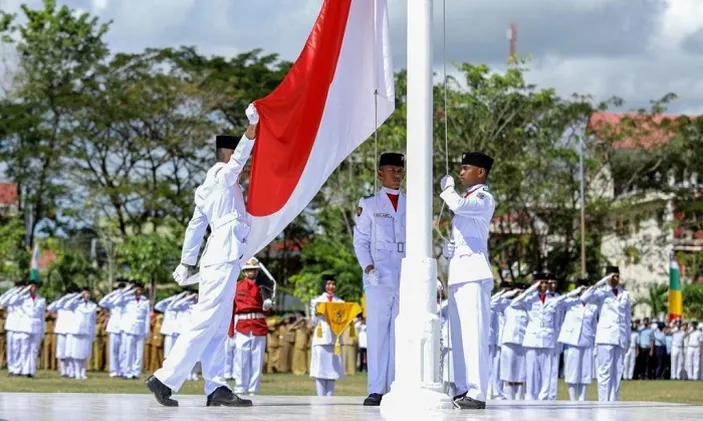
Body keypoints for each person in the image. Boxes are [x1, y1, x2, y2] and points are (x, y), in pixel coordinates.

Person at [145, 104, 259, 408]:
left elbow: (195, 228)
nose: (244, 167)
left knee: (219, 323)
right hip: (223, 254)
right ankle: (164, 378)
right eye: (237, 157)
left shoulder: (206, 188)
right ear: (226, 155)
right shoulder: (222, 174)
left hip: (222, 255)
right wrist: (252, 130)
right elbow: (238, 160)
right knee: (206, 318)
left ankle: (216, 385)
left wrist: (186, 261)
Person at [439, 151, 496, 409]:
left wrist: (447, 188)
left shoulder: (483, 198)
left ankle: (478, 392)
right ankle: (463, 388)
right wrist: (452, 248)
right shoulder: (466, 198)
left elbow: (459, 207)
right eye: (460, 169)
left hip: (474, 274)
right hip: (459, 273)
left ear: (480, 172)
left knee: (474, 335)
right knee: (459, 336)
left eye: (465, 168)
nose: (461, 173)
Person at [352, 152, 409, 406]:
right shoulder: (370, 204)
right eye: (392, 171)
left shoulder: (412, 202)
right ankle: (376, 389)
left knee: (401, 332)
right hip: (379, 274)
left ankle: (396, 385)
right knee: (377, 332)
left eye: (400, 171)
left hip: (405, 274)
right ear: (380, 173)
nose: (397, 175)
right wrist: (368, 267)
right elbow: (361, 241)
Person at [509, 274, 570, 400]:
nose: (544, 285)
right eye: (541, 283)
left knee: (547, 371)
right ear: (536, 283)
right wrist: (531, 289)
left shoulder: (553, 299)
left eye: (545, 283)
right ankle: (530, 397)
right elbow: (514, 303)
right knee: (531, 372)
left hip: (547, 339)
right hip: (532, 340)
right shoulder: (529, 298)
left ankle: (544, 398)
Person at [580, 266, 632, 401]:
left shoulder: (624, 294)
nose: (616, 279)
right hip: (606, 337)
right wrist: (601, 282)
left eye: (617, 276)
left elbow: (627, 318)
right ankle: (603, 402)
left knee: (618, 371)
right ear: (608, 277)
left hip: (620, 337)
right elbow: (584, 298)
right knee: (604, 372)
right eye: (613, 276)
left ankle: (614, 401)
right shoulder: (601, 293)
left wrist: (628, 338)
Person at [230, 257, 274, 396]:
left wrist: (268, 305)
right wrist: (230, 331)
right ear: (244, 271)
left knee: (257, 359)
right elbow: (231, 308)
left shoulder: (264, 287)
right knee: (241, 358)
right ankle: (240, 386)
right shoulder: (237, 286)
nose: (251, 272)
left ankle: (253, 388)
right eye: (248, 270)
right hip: (242, 325)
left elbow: (271, 311)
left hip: (258, 325)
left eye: (253, 270)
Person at [556, 284, 598, 401]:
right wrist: (573, 292)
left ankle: (582, 398)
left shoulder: (593, 307)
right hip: (572, 341)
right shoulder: (570, 303)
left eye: (587, 290)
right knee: (572, 372)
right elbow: (557, 303)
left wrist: (594, 343)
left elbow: (594, 326)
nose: (585, 292)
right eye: (583, 289)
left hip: (586, 340)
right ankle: (573, 399)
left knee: (585, 372)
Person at [309, 275, 345, 396]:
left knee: (332, 370)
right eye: (328, 284)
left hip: (335, 339)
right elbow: (313, 321)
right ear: (324, 285)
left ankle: (330, 397)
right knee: (320, 369)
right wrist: (316, 312)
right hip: (321, 337)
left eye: (333, 284)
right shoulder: (317, 301)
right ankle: (320, 396)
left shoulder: (340, 302)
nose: (331, 287)